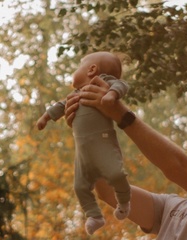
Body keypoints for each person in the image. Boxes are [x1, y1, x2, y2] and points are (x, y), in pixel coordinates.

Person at [64, 77, 187, 239]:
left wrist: (120, 113)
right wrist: (86, 128)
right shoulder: (171, 207)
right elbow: (108, 191)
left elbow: (179, 168)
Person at [36, 52, 131, 235]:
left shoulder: (99, 83)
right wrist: (45, 117)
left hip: (102, 140)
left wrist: (111, 94)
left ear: (92, 70)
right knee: (80, 186)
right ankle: (94, 215)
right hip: (82, 149)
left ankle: (124, 202)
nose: (75, 71)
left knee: (116, 174)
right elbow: (61, 105)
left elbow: (121, 84)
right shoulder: (76, 94)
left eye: (79, 66)